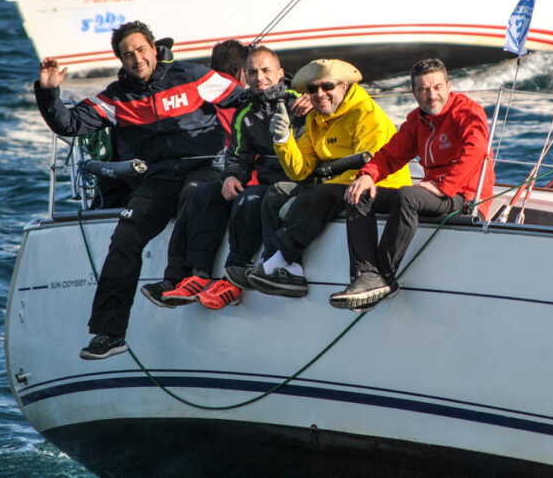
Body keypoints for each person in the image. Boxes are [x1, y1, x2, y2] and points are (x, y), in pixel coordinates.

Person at [34, 21, 241, 360]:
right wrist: (48, 92)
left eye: (141, 50)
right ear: (121, 60)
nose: (137, 58)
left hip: (205, 167)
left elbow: (245, 97)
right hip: (158, 177)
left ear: (154, 49)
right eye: (128, 54)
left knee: (195, 194)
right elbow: (68, 124)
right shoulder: (116, 98)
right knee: (124, 239)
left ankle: (178, 280)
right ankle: (109, 335)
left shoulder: (194, 76)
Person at [333, 59, 494, 311]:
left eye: (437, 87)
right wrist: (367, 175)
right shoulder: (416, 121)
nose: (432, 95)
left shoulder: (467, 111)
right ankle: (367, 275)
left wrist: (444, 186)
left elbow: (477, 151)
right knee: (358, 193)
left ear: (449, 86)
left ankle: (384, 277)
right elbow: (390, 156)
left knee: (407, 196)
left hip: (462, 196)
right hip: (431, 193)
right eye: (423, 89)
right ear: (414, 93)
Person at [156, 46, 308, 310]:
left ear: (280, 73)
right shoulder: (245, 111)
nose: (259, 77)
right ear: (245, 76)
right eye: (253, 72)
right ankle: (199, 274)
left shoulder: (299, 102)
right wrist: (231, 176)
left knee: (250, 198)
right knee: (205, 192)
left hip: (297, 181)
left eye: (266, 70)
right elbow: (238, 156)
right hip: (266, 181)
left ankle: (234, 277)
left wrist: (311, 103)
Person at [244, 59, 412, 297]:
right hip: (341, 187)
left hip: (380, 188)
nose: (319, 94)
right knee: (278, 192)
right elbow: (299, 171)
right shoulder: (315, 119)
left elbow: (370, 169)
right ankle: (287, 269)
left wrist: (312, 192)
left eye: (327, 86)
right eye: (313, 89)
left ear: (344, 86)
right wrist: (283, 139)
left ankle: (277, 262)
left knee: (315, 194)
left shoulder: (366, 113)